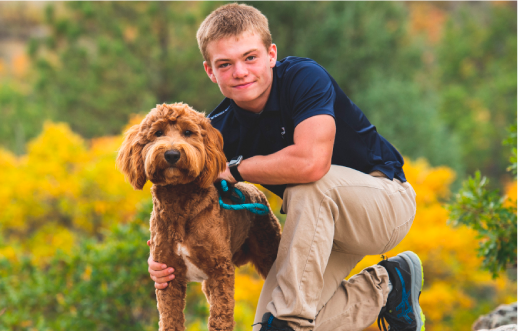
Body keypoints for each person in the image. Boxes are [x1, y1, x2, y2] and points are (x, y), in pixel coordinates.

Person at [147, 3, 425, 331]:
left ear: (271, 54)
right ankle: (389, 286)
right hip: (315, 231)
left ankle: (291, 316)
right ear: (210, 71)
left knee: (310, 185)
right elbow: (183, 196)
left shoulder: (303, 78)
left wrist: (236, 169)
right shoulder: (216, 130)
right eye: (225, 64)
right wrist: (162, 252)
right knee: (267, 327)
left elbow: (311, 164)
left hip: (383, 205)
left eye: (250, 57)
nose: (240, 72)